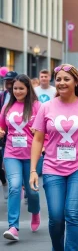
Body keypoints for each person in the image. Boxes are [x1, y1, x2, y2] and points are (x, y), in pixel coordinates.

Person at [29, 64, 78, 251]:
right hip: (52, 168)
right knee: (56, 217)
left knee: (72, 214)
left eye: (66, 79)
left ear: (75, 82)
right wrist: (33, 170)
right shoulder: (46, 107)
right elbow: (38, 139)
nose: (62, 83)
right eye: (59, 79)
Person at [0, 74, 41, 241]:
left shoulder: (37, 106)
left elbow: (45, 129)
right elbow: (2, 126)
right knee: (15, 187)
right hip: (11, 154)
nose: (17, 91)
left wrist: (40, 135)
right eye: (15, 88)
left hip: (32, 155)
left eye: (21, 88)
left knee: (32, 192)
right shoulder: (7, 107)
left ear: (28, 89)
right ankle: (13, 227)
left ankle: (35, 212)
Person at [0, 71, 18, 200]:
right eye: (7, 81)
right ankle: (7, 184)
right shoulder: (2, 96)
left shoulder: (25, 97)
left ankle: (22, 186)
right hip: (3, 135)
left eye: (11, 81)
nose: (8, 84)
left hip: (20, 137)